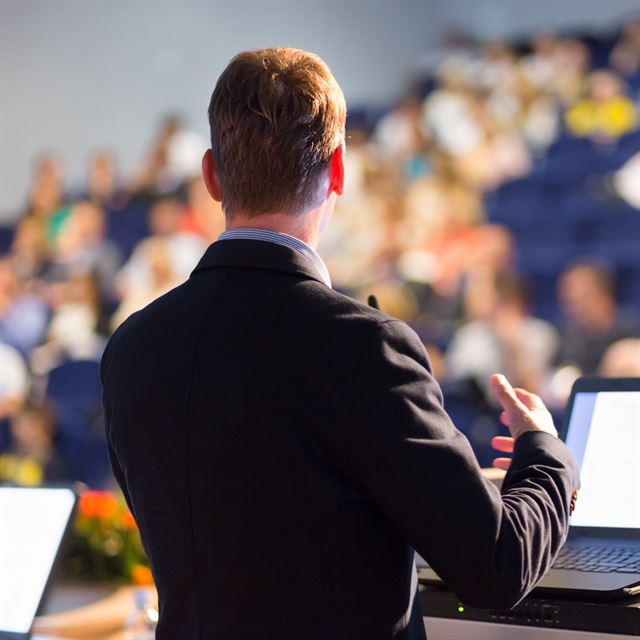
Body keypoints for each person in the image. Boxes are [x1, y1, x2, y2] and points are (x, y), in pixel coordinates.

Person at [101, 48, 579, 640]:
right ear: (339, 170)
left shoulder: (130, 349)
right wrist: (545, 452)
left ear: (211, 175)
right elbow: (496, 568)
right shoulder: (364, 347)